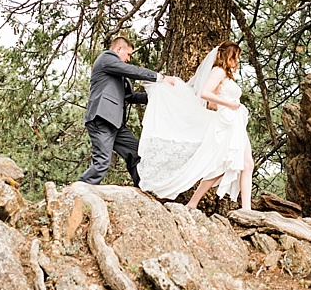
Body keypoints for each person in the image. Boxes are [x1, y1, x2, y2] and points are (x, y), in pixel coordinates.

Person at [138, 40, 255, 211]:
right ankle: (195, 202)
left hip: (235, 122)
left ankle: (246, 208)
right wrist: (228, 104)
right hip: (227, 122)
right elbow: (204, 93)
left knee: (246, 164)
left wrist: (227, 105)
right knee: (223, 165)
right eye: (235, 57)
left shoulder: (227, 75)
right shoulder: (218, 71)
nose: (237, 61)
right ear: (228, 55)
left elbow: (213, 103)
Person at [77, 36, 175, 185]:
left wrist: (156, 97)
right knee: (102, 162)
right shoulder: (106, 58)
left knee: (136, 154)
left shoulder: (119, 75)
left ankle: (142, 188)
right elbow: (130, 70)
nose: (129, 59)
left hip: (116, 124)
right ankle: (79, 191)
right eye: (128, 54)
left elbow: (130, 96)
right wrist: (159, 77)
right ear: (118, 49)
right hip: (101, 119)